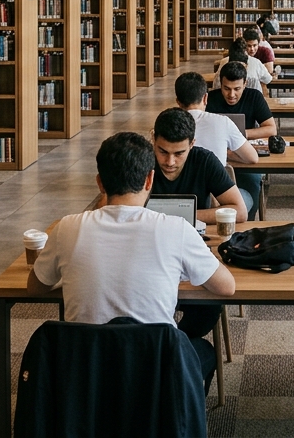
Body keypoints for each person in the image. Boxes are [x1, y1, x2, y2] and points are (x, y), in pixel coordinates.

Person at [30, 131, 236, 391]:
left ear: (100, 183)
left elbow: (35, 287)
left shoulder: (67, 228)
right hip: (153, 365)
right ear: (150, 179)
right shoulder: (176, 228)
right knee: (203, 351)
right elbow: (226, 287)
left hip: (85, 367)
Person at [175, 72, 261, 219]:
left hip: (176, 203)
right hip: (216, 205)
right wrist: (225, 152)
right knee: (247, 196)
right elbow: (252, 158)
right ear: (205, 98)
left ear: (177, 101)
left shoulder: (167, 125)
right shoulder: (223, 122)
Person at [207, 63, 278, 142]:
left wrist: (241, 134)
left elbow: (271, 129)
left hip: (245, 144)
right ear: (221, 84)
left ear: (245, 84)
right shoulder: (209, 98)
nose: (231, 95)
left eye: (237, 89)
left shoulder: (254, 97)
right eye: (226, 88)